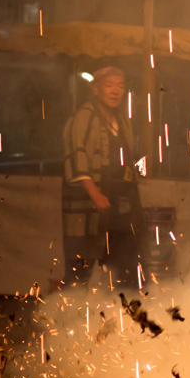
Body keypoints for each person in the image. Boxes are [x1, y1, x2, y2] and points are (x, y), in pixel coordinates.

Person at [62, 67, 143, 287]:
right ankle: (70, 314)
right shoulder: (84, 117)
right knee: (81, 262)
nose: (116, 91)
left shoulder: (123, 120)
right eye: (110, 86)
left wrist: (138, 174)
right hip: (90, 204)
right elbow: (76, 159)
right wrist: (96, 194)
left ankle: (124, 313)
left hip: (121, 202)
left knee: (124, 261)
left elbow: (132, 159)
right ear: (96, 89)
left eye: (121, 86)